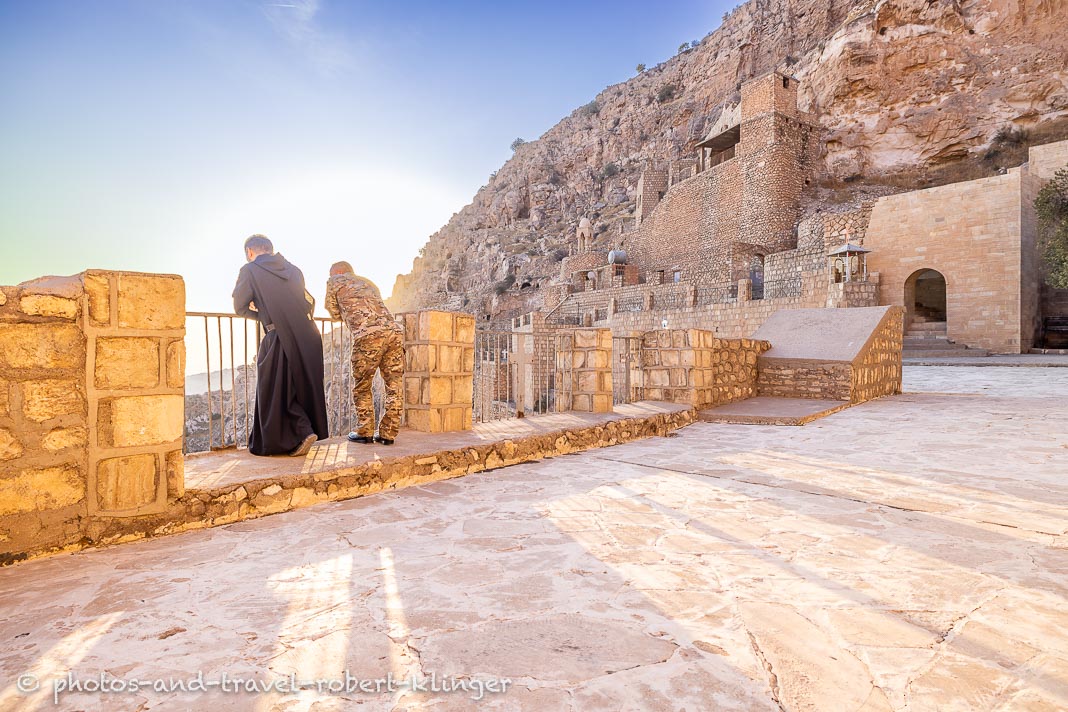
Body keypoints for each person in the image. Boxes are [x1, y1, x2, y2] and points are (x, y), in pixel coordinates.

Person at [232, 235, 329, 456]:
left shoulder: (250, 270)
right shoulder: (294, 269)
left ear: (250, 252)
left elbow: (239, 306)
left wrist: (263, 314)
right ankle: (304, 431)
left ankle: (302, 432)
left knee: (273, 389)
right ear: (270, 249)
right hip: (307, 335)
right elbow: (307, 301)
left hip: (278, 334)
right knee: (298, 385)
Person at [325, 261, 404, 445]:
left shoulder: (335, 282)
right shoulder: (368, 282)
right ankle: (388, 433)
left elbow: (334, 313)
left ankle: (365, 430)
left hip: (368, 336)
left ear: (336, 272)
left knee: (362, 384)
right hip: (394, 332)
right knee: (394, 384)